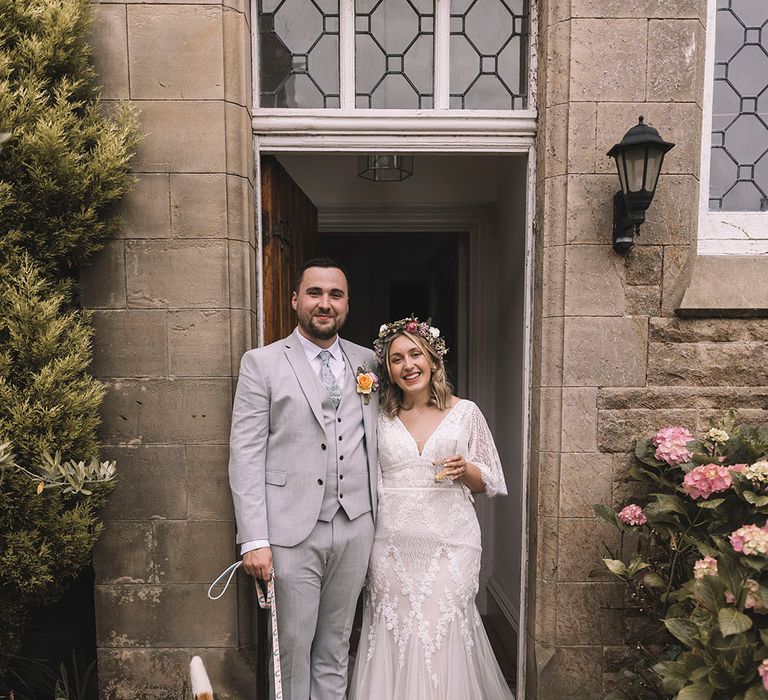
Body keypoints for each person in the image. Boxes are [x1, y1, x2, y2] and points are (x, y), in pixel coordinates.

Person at [228, 258, 379, 699]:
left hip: (356, 524)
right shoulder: (262, 363)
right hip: (289, 532)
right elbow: (246, 453)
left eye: (335, 294)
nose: (325, 303)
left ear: (347, 304)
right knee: (291, 648)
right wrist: (253, 538)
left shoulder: (368, 361)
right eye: (315, 293)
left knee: (335, 647)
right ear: (296, 300)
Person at [349, 317, 514, 700]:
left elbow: (490, 481)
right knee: (393, 629)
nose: (408, 365)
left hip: (451, 544)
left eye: (415, 354)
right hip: (389, 547)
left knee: (442, 630)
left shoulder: (466, 412)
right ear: (387, 370)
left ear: (433, 360)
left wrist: (466, 470)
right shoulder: (378, 417)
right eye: (396, 359)